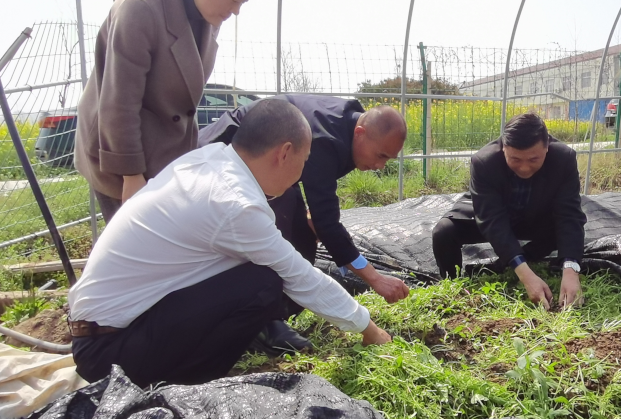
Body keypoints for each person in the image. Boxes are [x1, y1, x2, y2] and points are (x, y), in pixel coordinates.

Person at [68, 99, 391, 388]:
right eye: (304, 160)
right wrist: (369, 329)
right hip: (111, 354)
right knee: (264, 284)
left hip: (102, 331)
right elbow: (300, 277)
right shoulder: (235, 203)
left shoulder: (210, 160)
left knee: (256, 273)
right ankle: (185, 385)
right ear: (284, 153)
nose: (302, 172)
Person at [199, 94, 411, 351]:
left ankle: (278, 310)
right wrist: (375, 278)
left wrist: (317, 219)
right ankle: (262, 324)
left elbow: (320, 211)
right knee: (275, 232)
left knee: (300, 227)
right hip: (223, 158)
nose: (380, 165)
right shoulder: (325, 139)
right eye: (380, 155)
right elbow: (327, 222)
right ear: (361, 132)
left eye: (387, 159)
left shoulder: (349, 122)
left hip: (262, 170)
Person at [75, 0, 260, 223]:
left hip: (165, 157)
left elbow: (183, 95)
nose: (236, 11)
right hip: (121, 155)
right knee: (135, 253)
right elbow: (119, 102)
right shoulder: (140, 8)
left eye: (243, 3)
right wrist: (131, 175)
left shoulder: (208, 15)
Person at [431, 112, 586, 310]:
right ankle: (450, 285)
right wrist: (526, 276)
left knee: (563, 231)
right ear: (503, 147)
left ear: (547, 146)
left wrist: (571, 270)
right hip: (496, 213)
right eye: (515, 159)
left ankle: (520, 259)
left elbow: (569, 215)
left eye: (533, 160)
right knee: (444, 232)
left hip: (537, 216)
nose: (523, 168)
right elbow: (492, 220)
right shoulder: (484, 162)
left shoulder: (563, 158)